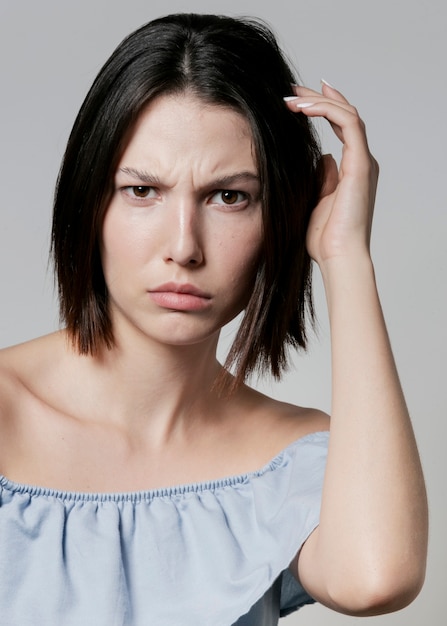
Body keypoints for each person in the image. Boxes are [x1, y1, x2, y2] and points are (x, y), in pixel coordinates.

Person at [0, 12, 428, 626]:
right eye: (142, 191)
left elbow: (377, 578)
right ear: (89, 201)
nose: (184, 245)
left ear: (279, 212)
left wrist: (346, 257)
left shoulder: (291, 458)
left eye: (229, 196)